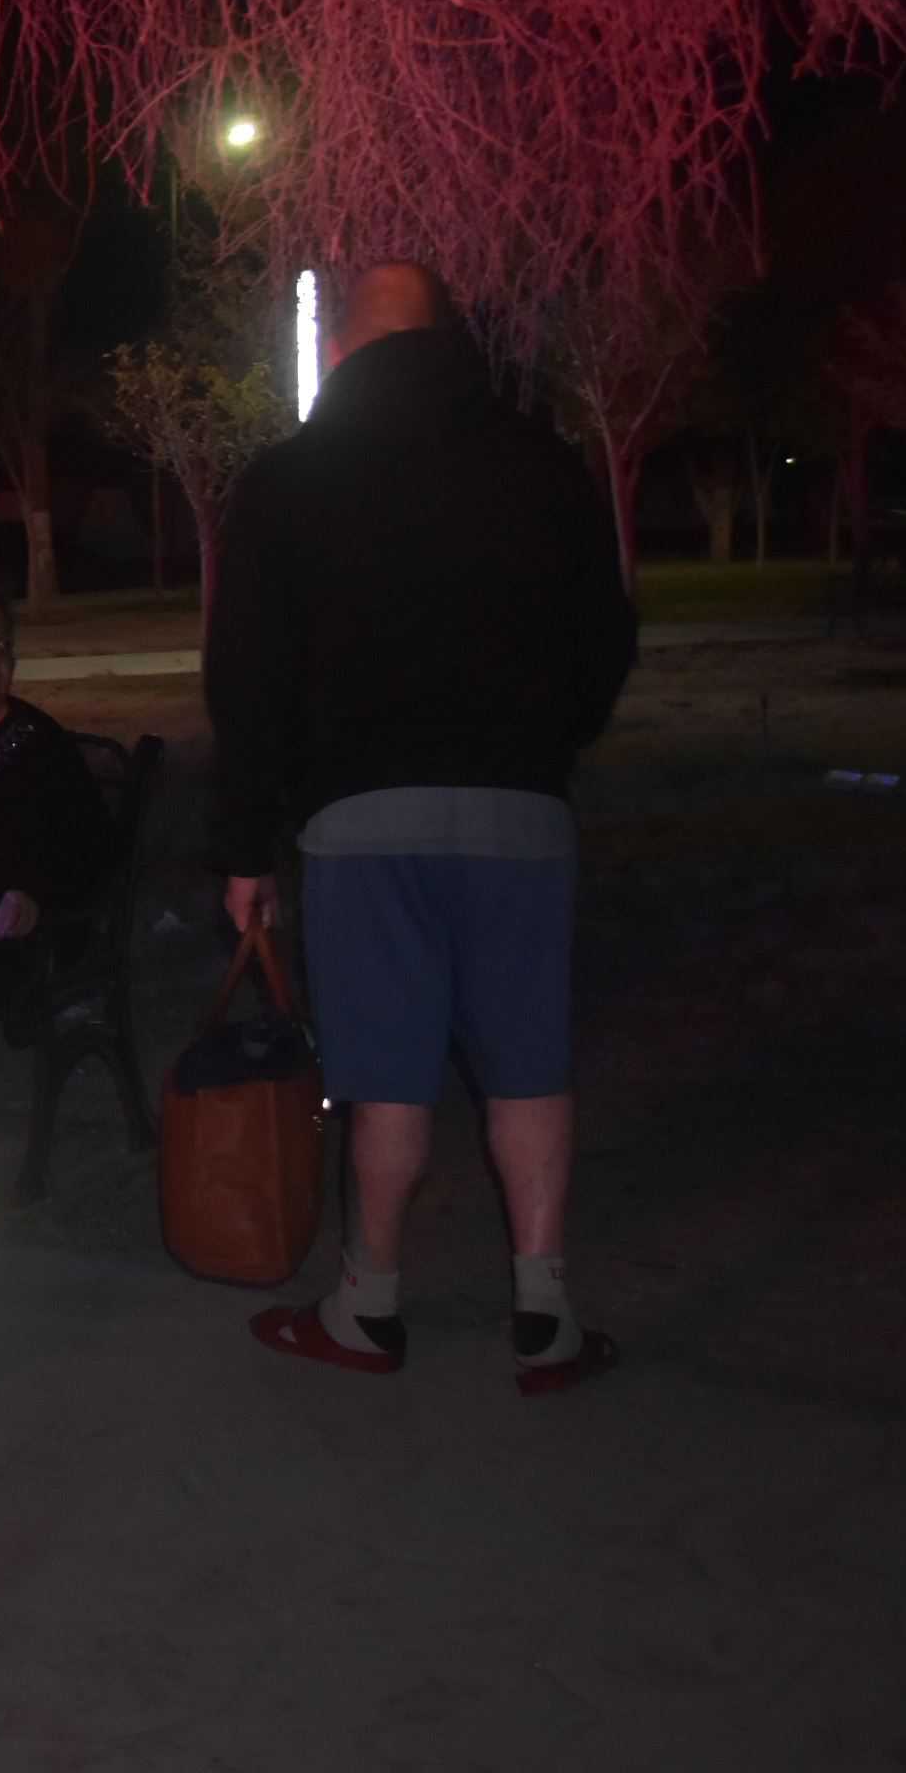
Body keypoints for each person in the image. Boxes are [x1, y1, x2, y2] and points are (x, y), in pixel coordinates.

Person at [207, 262, 635, 1394]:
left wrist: (247, 844)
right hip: (519, 807)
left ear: (343, 341)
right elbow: (605, 639)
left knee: (383, 1071)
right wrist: (543, 744)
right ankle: (543, 1308)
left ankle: (369, 1303)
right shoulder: (542, 464)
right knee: (529, 1063)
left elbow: (245, 681)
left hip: (360, 819)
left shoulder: (291, 480)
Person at [0, 596, 114, 1219]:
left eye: (3, 648)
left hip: (10, 935)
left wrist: (36, 894)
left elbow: (85, 848)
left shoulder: (34, 744)